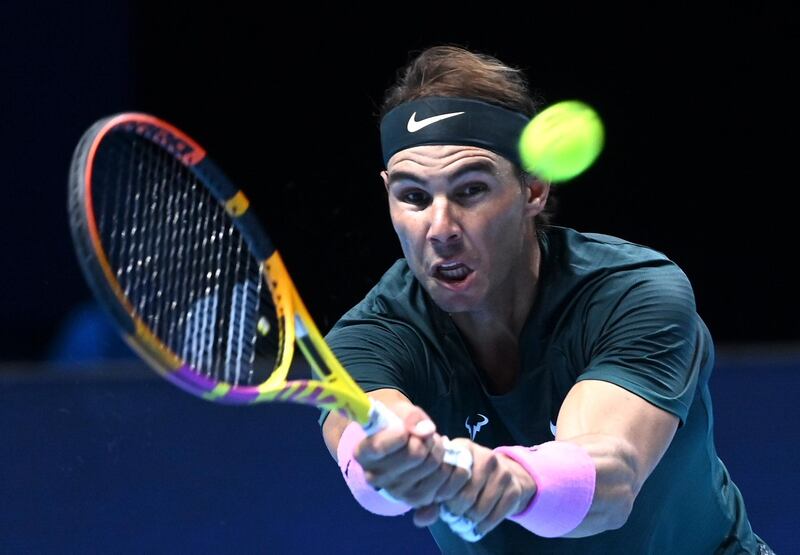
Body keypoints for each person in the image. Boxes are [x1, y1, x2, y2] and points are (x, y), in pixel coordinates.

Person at [319, 45, 772, 554]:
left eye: (470, 190)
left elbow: (611, 481)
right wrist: (391, 462)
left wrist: (516, 479)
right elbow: (366, 467)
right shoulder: (368, 337)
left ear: (533, 188)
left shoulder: (635, 292)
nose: (440, 228)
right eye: (413, 196)